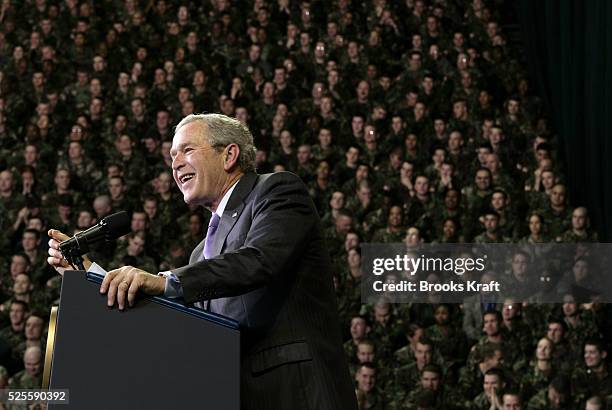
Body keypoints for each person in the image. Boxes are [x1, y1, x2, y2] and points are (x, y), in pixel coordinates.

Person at [48, 113, 357, 409]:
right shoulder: (199, 254)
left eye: (187, 150)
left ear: (229, 155)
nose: (175, 163)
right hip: (232, 395)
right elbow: (182, 326)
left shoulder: (275, 191)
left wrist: (166, 280)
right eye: (171, 156)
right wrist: (91, 279)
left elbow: (258, 261)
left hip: (293, 391)